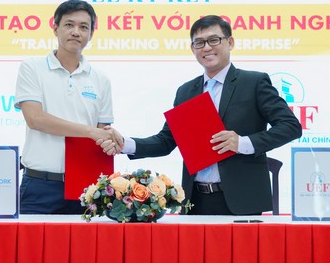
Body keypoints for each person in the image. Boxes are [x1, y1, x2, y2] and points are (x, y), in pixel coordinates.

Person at [101, 15, 302, 215]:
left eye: (214, 40)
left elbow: (291, 126)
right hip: (195, 201)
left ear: (230, 42)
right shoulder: (186, 91)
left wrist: (242, 143)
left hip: (242, 201)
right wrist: (124, 144)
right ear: (193, 49)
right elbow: (166, 141)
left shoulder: (253, 83)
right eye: (199, 43)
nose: (206, 48)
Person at [15, 0, 123, 214]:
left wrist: (112, 138)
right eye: (69, 25)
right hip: (39, 184)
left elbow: (101, 132)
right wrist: (91, 131)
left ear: (91, 34)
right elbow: (35, 119)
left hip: (87, 186)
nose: (76, 32)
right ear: (55, 28)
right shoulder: (32, 67)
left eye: (84, 27)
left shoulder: (101, 79)